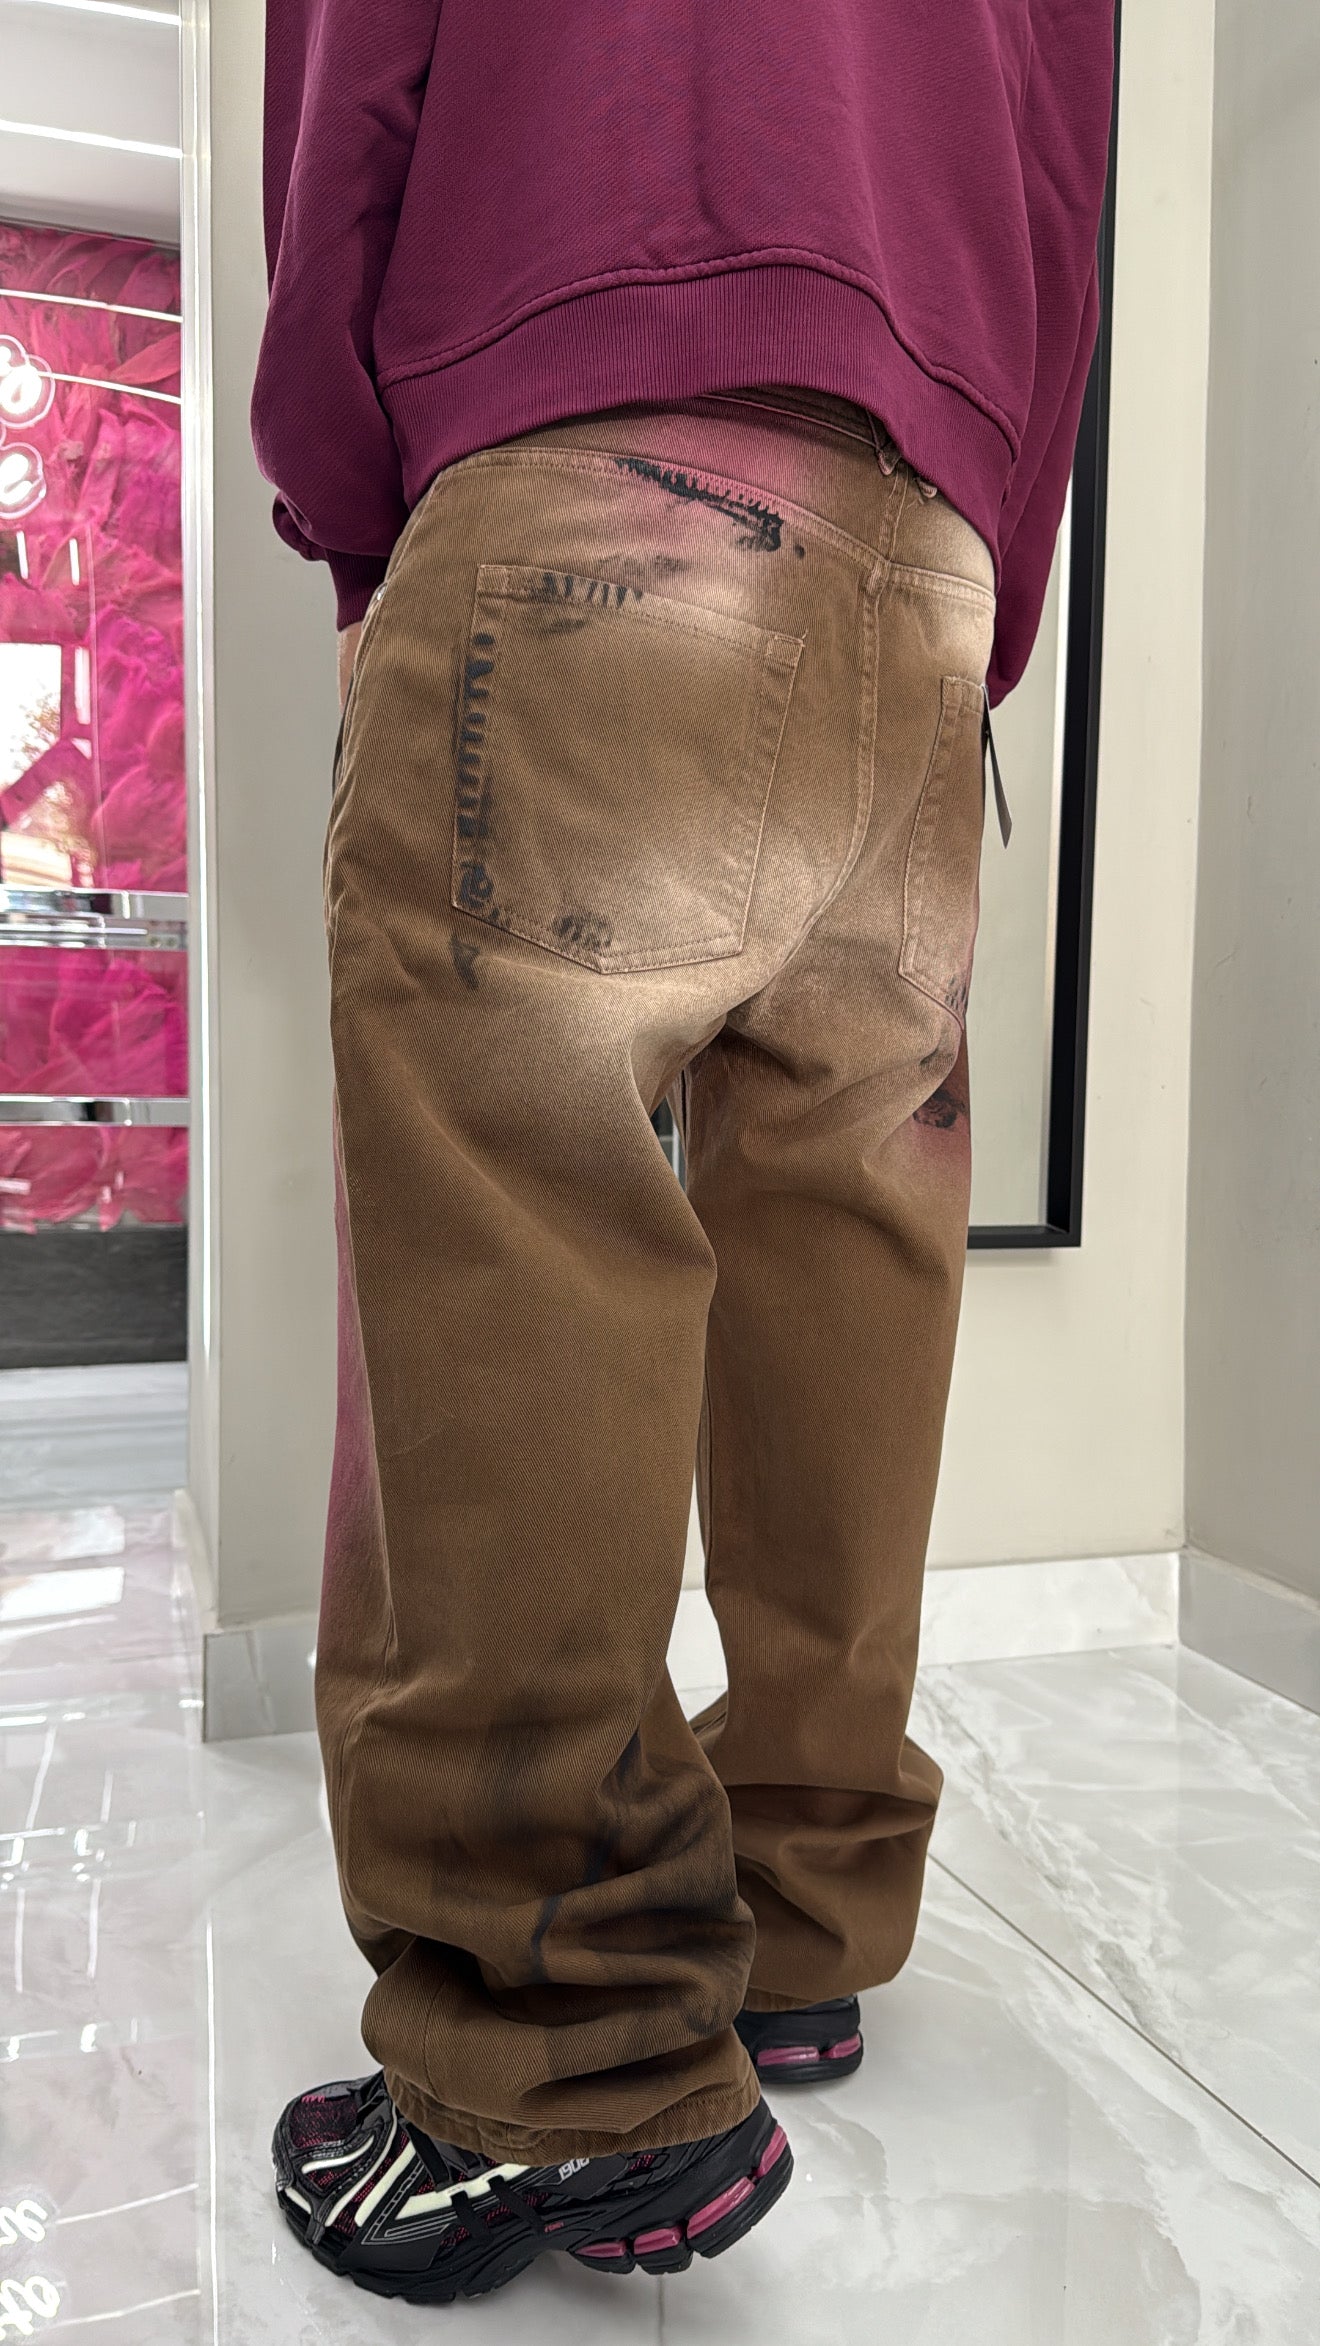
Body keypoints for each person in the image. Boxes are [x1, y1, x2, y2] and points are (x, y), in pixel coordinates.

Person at [251, 1, 1116, 2304]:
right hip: (928, 548)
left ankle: (555, 2061)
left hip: (579, 444)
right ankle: (802, 1906)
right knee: (850, 1241)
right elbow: (1061, 169)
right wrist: (987, 563)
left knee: (511, 1234)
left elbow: (352, 76)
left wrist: (353, 498)